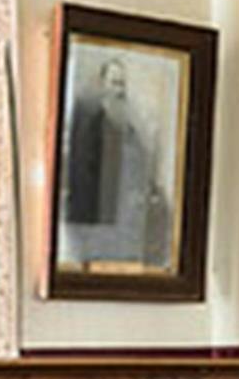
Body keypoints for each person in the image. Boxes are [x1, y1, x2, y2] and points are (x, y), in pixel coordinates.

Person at [60, 54, 175, 270]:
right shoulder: (89, 125)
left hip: (129, 227)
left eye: (122, 84)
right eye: (114, 83)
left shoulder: (130, 125)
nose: (119, 91)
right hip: (97, 232)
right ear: (102, 84)